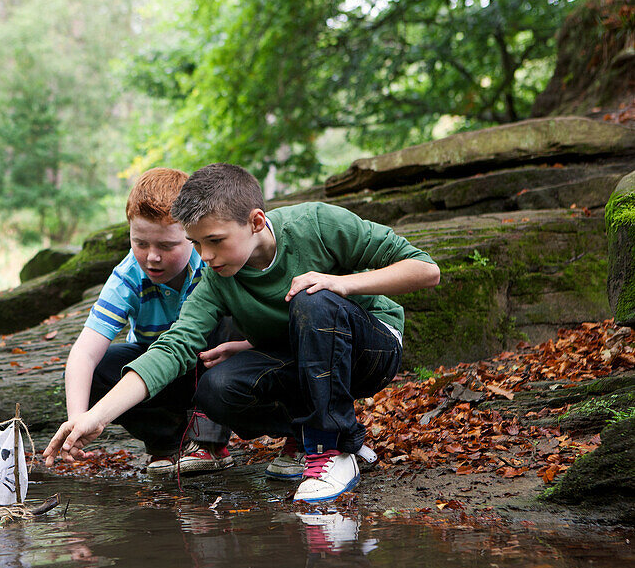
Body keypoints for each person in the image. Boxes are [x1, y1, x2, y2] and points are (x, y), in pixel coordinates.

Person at [45, 162, 440, 502]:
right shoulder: (216, 279)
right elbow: (175, 347)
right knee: (217, 386)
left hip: (370, 349)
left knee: (312, 296)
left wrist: (341, 283)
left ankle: (331, 449)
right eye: (197, 244)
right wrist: (95, 417)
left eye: (215, 242)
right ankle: (334, 439)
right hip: (299, 356)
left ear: (255, 221)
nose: (206, 257)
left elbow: (426, 270)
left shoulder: (316, 224)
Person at [63, 167, 247, 478]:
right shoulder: (127, 277)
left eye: (166, 246)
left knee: (224, 319)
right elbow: (84, 352)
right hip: (155, 375)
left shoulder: (213, 264)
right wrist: (77, 419)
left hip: (212, 365)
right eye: (141, 243)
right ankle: (168, 443)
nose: (151, 257)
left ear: (192, 235)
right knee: (100, 366)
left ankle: (209, 442)